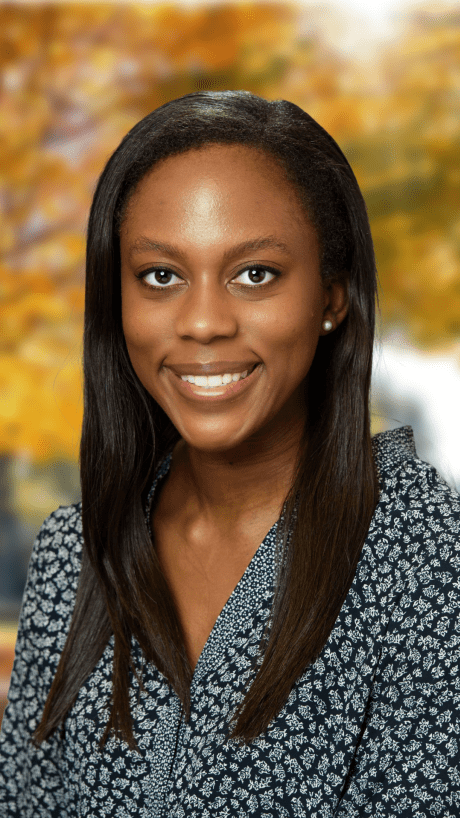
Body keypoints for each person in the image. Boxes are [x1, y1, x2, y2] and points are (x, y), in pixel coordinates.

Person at [0, 90, 459, 817]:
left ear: (333, 295)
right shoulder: (74, 553)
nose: (204, 322)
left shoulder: (427, 552)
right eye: (160, 276)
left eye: (255, 274)